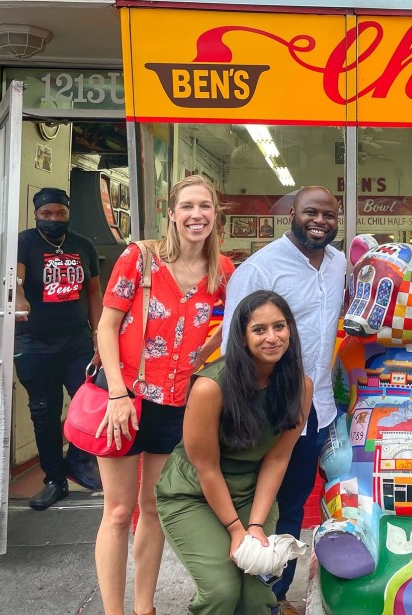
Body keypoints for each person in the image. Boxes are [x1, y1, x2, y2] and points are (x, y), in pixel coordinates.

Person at [95, 174, 236, 615]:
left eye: (205, 206)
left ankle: (144, 608)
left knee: (153, 508)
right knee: (119, 512)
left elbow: (233, 324)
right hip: (125, 399)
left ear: (215, 214)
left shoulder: (222, 271)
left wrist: (202, 359)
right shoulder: (139, 258)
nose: (197, 215)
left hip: (175, 404)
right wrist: (116, 394)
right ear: (171, 214)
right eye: (187, 206)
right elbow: (106, 327)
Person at [221, 186, 345, 615]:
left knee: (293, 505)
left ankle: (275, 597)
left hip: (318, 409)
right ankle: (243, 596)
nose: (320, 221)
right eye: (311, 212)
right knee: (257, 506)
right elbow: (233, 344)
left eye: (329, 215)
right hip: (268, 411)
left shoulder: (338, 263)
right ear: (291, 213)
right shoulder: (260, 269)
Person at [157, 291, 312, 615]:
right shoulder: (210, 387)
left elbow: (277, 458)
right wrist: (235, 529)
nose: (272, 337)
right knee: (222, 590)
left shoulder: (300, 386)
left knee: (257, 595)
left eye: (279, 326)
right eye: (259, 329)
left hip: (251, 493)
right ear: (242, 337)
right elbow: (207, 468)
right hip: (193, 494)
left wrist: (254, 525)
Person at [14, 187, 104, 509]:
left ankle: (78, 460)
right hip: (34, 345)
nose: (53, 219)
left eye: (60, 213)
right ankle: (54, 480)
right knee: (45, 413)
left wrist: (99, 334)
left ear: (68, 214)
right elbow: (16, 279)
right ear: (36, 214)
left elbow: (93, 291)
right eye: (46, 214)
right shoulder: (25, 242)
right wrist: (19, 297)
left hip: (77, 343)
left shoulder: (83, 245)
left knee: (91, 404)